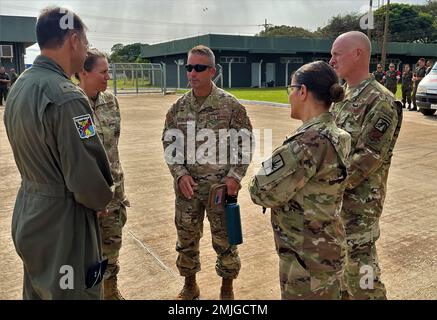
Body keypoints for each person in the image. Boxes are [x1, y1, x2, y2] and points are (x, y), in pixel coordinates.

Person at [3, 7, 114, 299]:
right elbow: (87, 178)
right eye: (85, 43)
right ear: (73, 41)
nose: (86, 50)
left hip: (30, 212)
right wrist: (102, 198)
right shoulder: (68, 97)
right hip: (64, 224)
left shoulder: (19, 86)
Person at [249, 61, 351, 300]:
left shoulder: (307, 142)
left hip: (306, 261)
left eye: (291, 89)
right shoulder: (337, 133)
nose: (289, 96)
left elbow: (259, 191)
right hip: (327, 248)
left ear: (302, 92)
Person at [162, 45, 253, 300]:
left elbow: (244, 143)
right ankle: (190, 286)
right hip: (187, 190)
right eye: (189, 67)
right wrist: (179, 174)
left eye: (199, 68)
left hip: (219, 190)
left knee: (225, 241)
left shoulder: (230, 105)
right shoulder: (178, 107)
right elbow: (170, 143)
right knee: (186, 239)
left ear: (212, 71)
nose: (192, 73)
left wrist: (235, 176)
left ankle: (227, 288)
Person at [329, 31, 402, 300]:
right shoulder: (342, 97)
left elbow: (366, 160)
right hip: (335, 205)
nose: (332, 60)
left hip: (360, 208)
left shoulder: (380, 101)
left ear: (357, 54)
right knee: (342, 280)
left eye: (337, 53)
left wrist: (323, 184)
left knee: (364, 281)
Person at [76, 48, 129, 300]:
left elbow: (113, 145)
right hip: (87, 194)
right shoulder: (73, 104)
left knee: (112, 243)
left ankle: (111, 291)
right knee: (85, 249)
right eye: (103, 71)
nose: (108, 77)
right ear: (84, 72)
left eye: (109, 71)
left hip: (114, 189)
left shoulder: (111, 101)